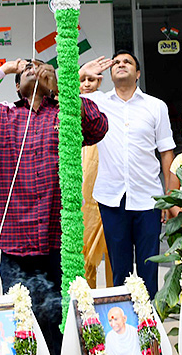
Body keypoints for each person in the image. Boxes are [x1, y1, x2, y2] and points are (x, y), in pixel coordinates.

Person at [0, 21, 108, 351]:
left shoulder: (64, 111)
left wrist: (66, 87)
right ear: (18, 86)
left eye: (40, 67)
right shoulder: (2, 117)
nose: (34, 69)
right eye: (26, 68)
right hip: (16, 242)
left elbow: (97, 126)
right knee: (21, 325)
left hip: (59, 241)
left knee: (62, 325)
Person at [83, 50, 174, 298]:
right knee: (119, 269)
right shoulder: (97, 103)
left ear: (138, 73)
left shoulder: (156, 106)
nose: (121, 65)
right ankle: (121, 328)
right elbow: (58, 94)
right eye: (116, 63)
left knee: (148, 267)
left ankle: (149, 326)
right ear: (110, 73)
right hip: (112, 198)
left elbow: (167, 152)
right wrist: (82, 73)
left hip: (148, 198)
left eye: (128, 62)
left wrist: (169, 196)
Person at [79, 70, 111, 289]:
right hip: (84, 189)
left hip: (108, 183)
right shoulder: (72, 105)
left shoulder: (107, 102)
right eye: (83, 80)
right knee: (85, 252)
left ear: (100, 81)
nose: (87, 84)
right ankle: (86, 302)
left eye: (92, 80)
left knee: (112, 253)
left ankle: (114, 297)